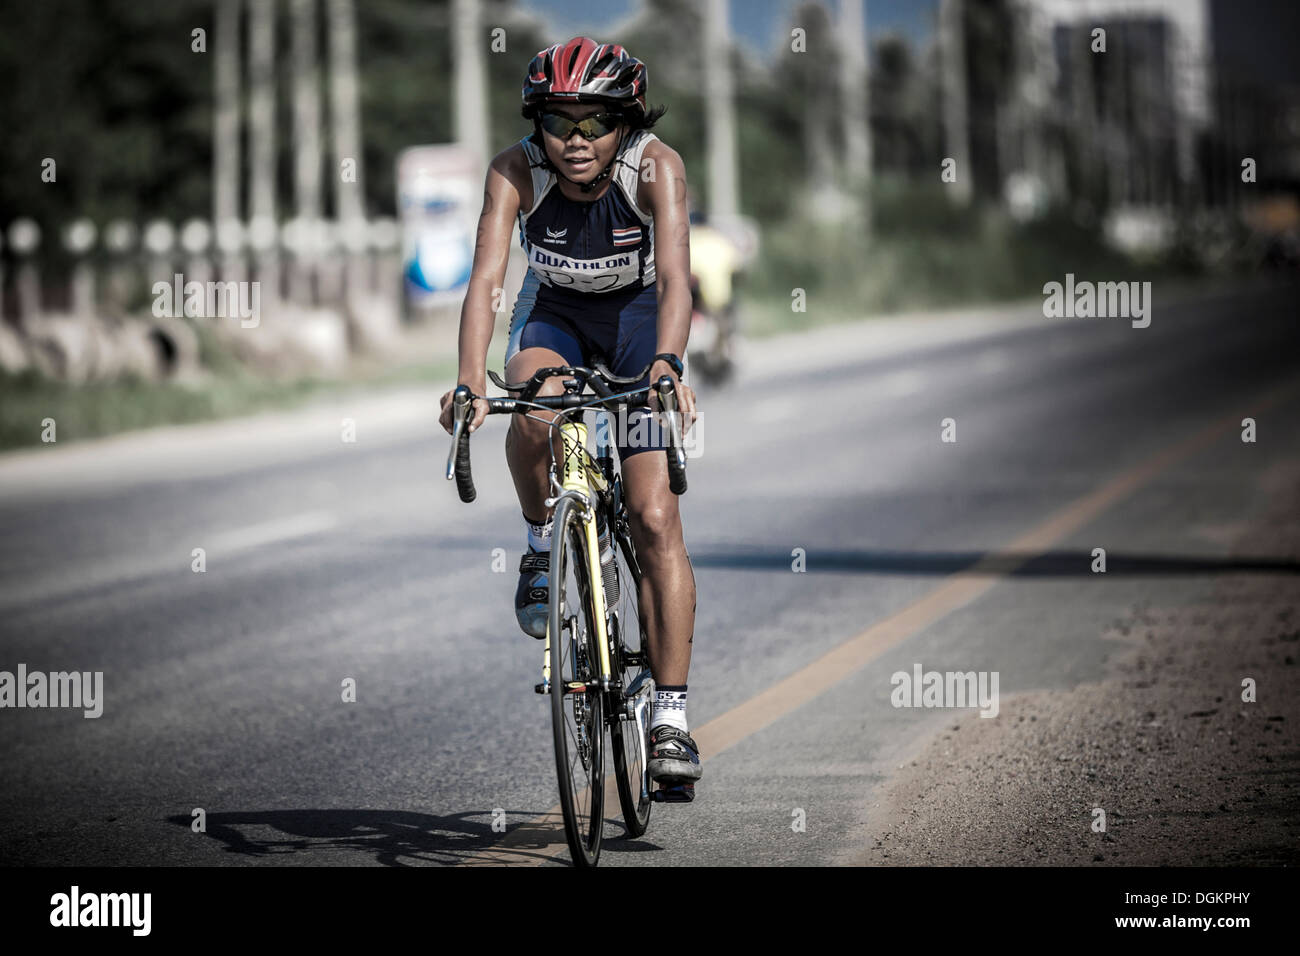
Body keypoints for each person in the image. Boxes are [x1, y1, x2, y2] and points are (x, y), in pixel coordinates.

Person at [438, 38, 702, 790]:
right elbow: (488, 277)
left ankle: (672, 717)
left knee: (654, 517)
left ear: (626, 122)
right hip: (553, 315)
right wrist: (466, 380)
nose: (576, 140)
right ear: (538, 125)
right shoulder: (514, 169)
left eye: (596, 122)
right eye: (560, 122)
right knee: (534, 410)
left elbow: (679, 278)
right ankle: (538, 543)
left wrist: (667, 364)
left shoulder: (656, 168)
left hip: (642, 321)